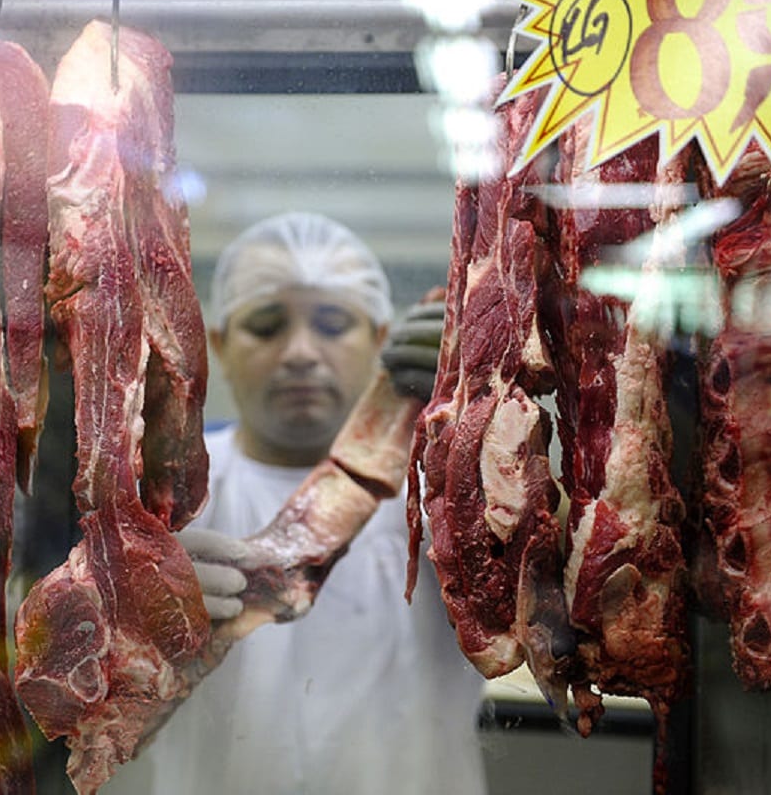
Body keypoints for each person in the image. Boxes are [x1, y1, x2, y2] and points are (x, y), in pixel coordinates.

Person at [104, 212, 487, 795]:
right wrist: (129, 629)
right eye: (266, 325)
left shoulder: (440, 490)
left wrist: (475, 418)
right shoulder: (157, 493)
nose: (301, 353)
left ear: (380, 341)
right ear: (220, 347)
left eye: (334, 324)